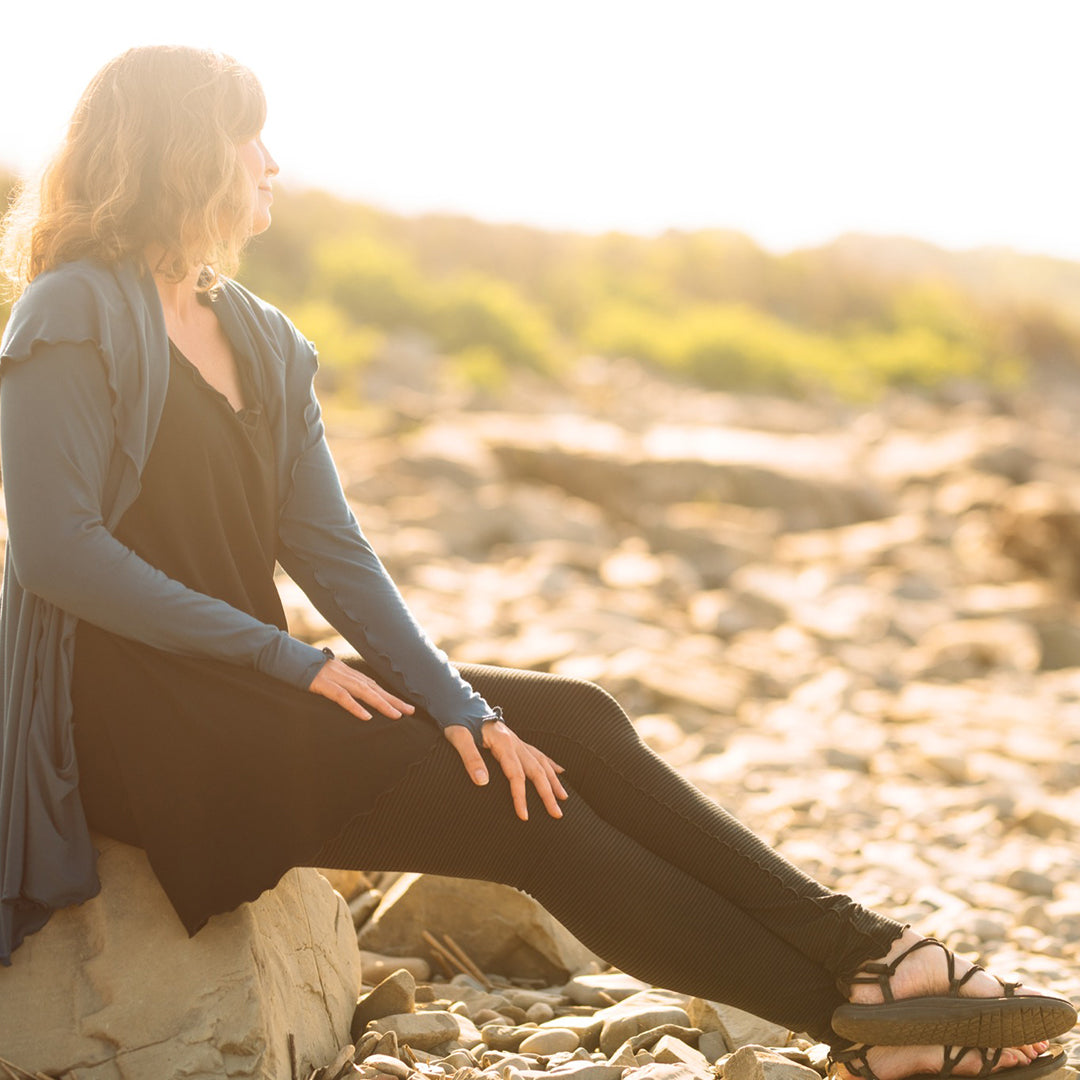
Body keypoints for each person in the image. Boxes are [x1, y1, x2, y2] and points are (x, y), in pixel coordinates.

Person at [0, 46, 1073, 1080]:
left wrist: (456, 701)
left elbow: (334, 553)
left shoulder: (260, 335)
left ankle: (868, 956)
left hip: (255, 682)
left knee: (569, 719)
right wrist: (288, 664)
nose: (272, 163)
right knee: (513, 810)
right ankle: (862, 1026)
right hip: (140, 720)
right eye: (251, 138)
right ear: (186, 150)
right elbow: (59, 553)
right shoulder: (74, 311)